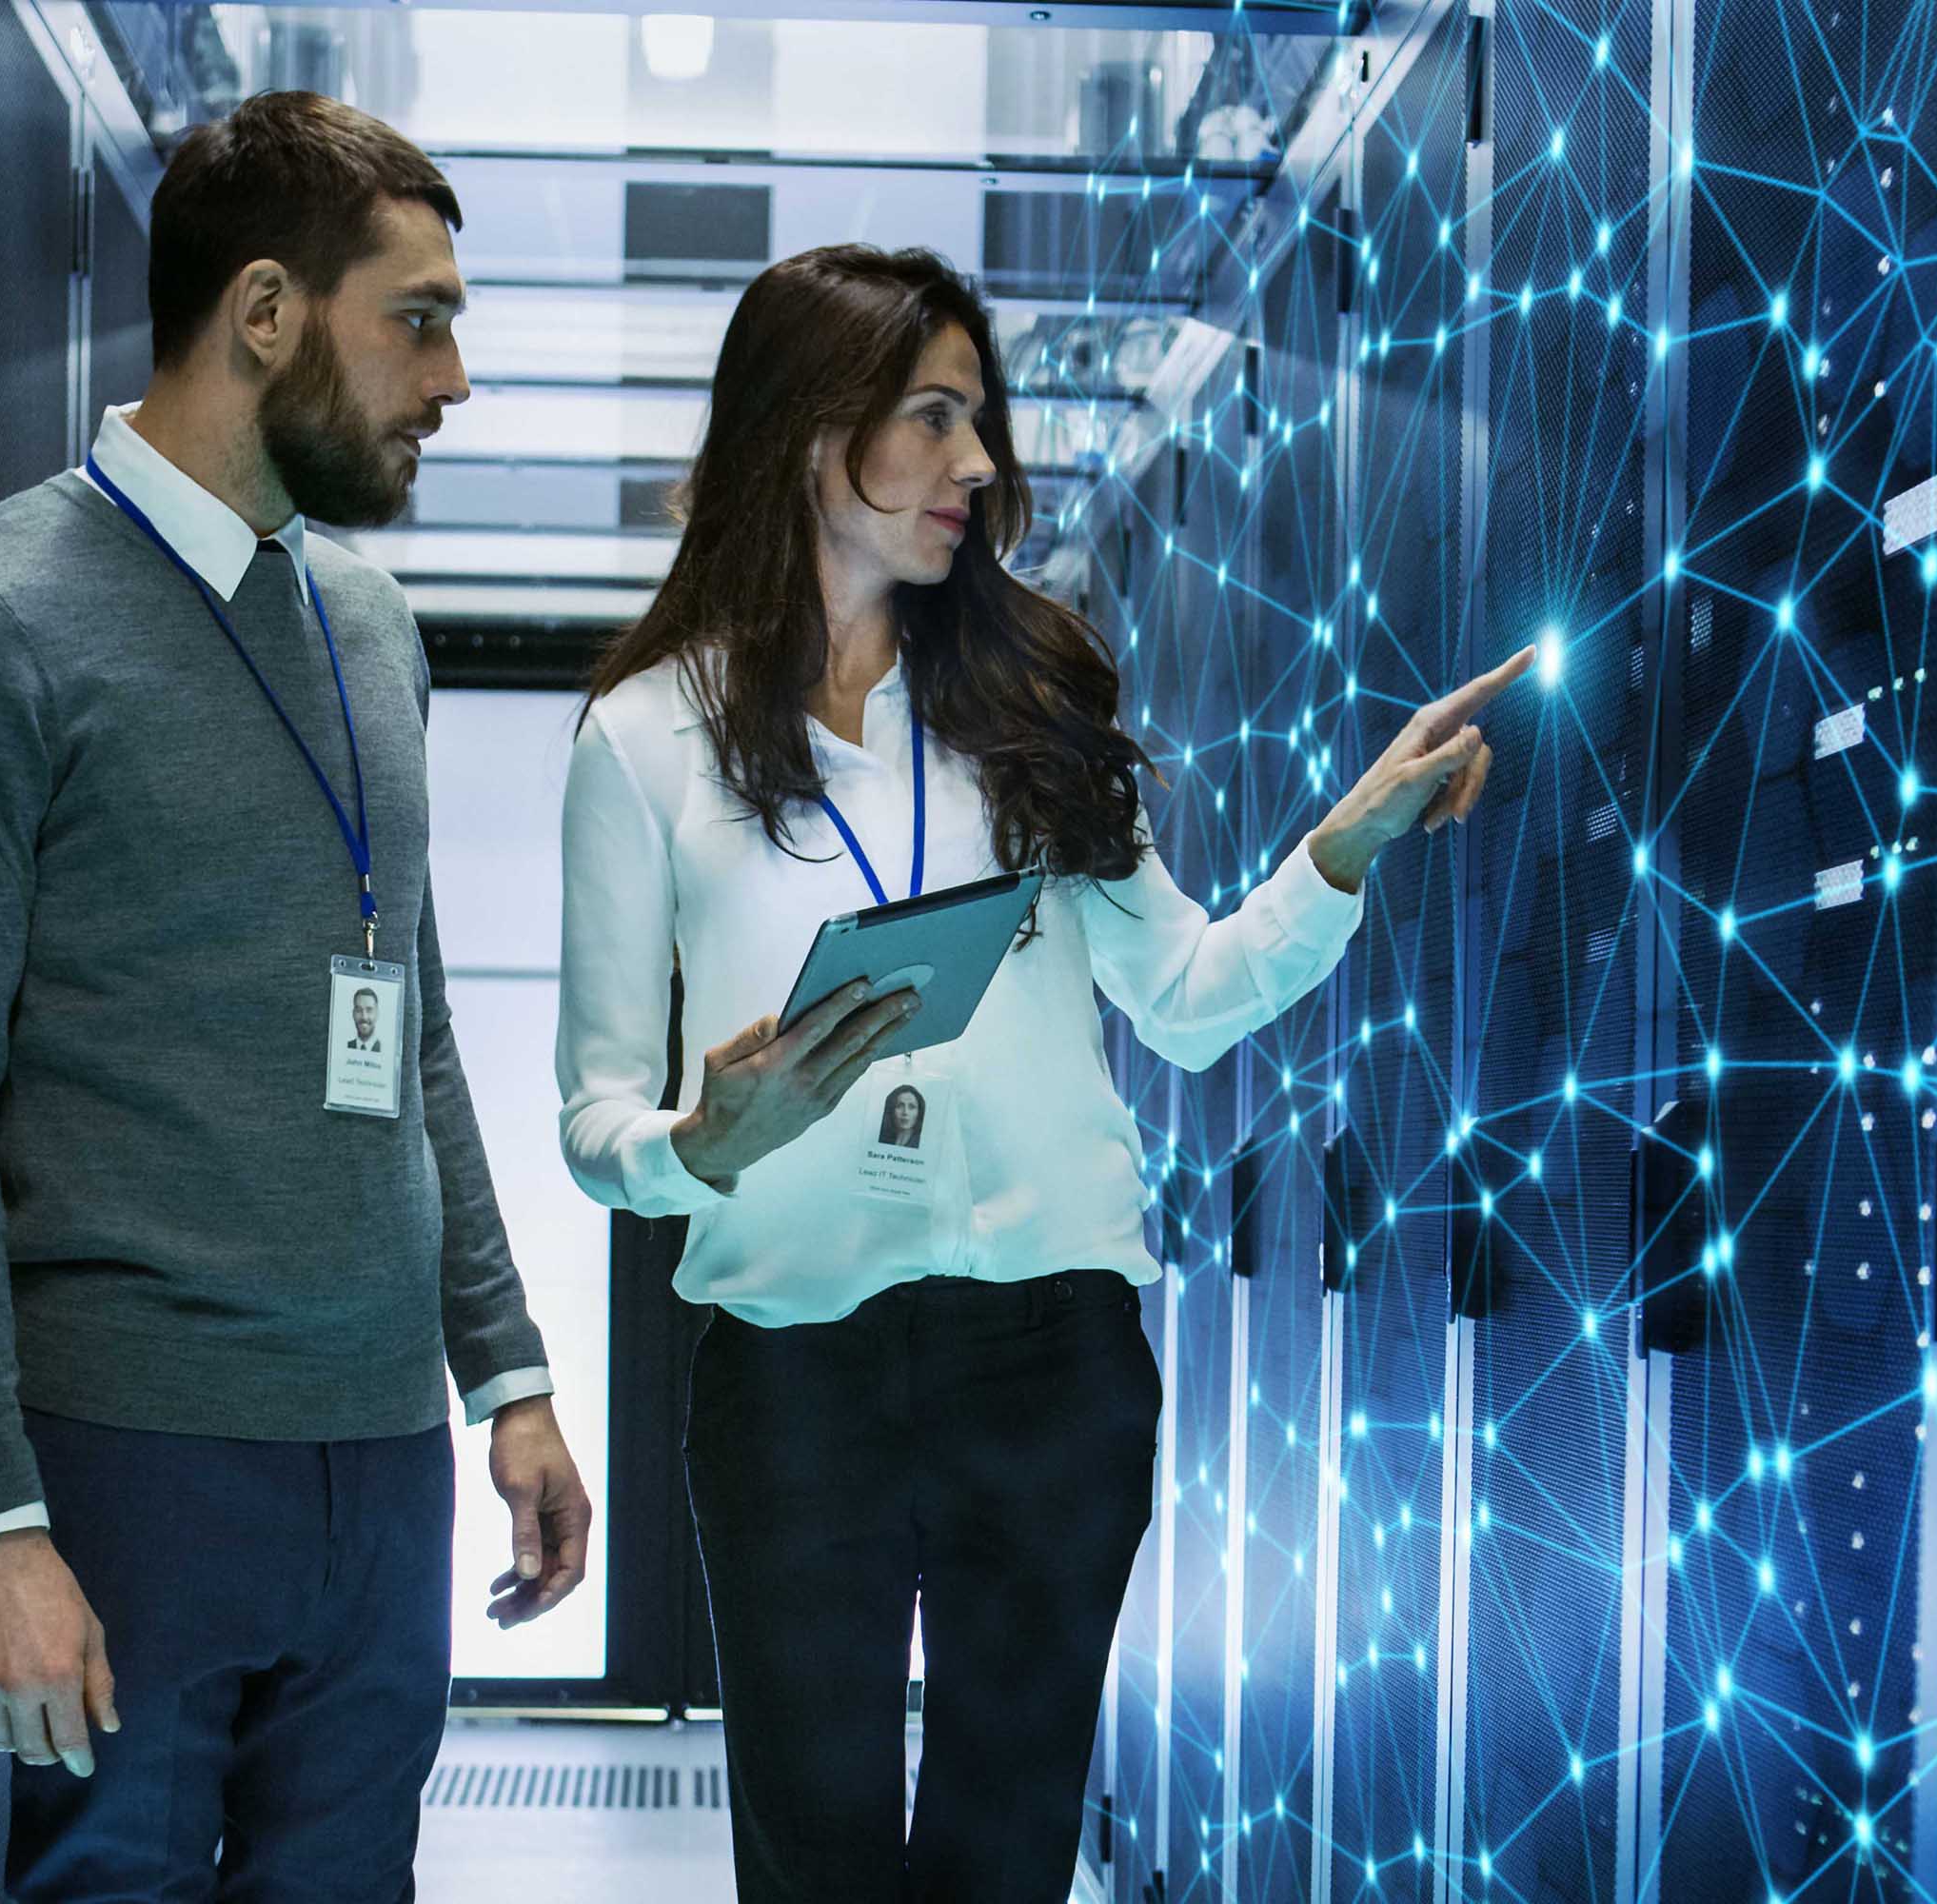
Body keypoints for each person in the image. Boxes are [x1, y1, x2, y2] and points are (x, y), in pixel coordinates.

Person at [552, 242, 1530, 1900]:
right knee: (815, 1856)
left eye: (978, 419)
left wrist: (1343, 850)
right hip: (791, 1373)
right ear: (812, 430)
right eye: (932, 419)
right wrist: (705, 1141)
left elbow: (1189, 996)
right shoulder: (647, 739)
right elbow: (590, 1128)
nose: (978, 464)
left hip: (1051, 1355)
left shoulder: (1031, 702)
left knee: (1008, 1854)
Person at [0, 89, 591, 1902]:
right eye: (417, 319)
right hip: (131, 1465)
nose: (454, 379)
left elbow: (405, 1028)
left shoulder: (372, 627)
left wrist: (504, 1372)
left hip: (379, 1459)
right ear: (265, 313)